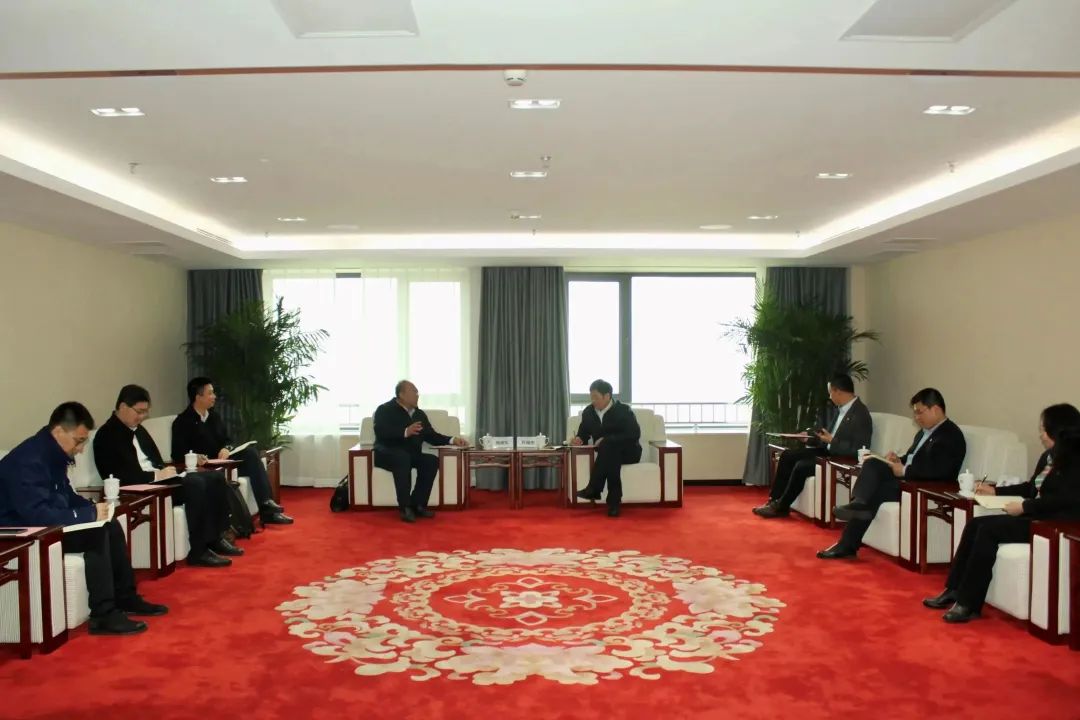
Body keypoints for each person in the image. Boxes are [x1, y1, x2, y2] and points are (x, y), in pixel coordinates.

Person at [0, 402, 167, 635]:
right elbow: (37, 514)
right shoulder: (28, 460)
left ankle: (125, 597)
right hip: (21, 534)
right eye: (78, 441)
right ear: (59, 431)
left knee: (109, 524)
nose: (79, 449)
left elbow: (67, 496)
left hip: (44, 526)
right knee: (95, 533)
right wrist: (87, 515)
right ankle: (103, 615)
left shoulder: (53, 454)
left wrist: (94, 509)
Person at [923, 403, 1080, 623]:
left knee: (988, 531)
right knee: (975, 524)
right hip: (1038, 515)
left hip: (1055, 523)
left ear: (1059, 430)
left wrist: (1025, 507)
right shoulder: (1048, 456)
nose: (1041, 435)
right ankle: (954, 589)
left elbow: (1067, 500)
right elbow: (1030, 488)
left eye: (1044, 429)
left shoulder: (1075, 460)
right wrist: (995, 490)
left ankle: (969, 604)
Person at [93, 384, 241, 568]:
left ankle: (216, 538)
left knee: (214, 478)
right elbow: (118, 474)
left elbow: (156, 460)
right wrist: (156, 475)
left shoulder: (138, 430)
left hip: (160, 481)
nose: (142, 417)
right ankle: (198, 551)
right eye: (139, 411)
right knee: (195, 484)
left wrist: (167, 472)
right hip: (141, 488)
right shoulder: (106, 435)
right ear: (123, 407)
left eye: (145, 412)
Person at [819, 388, 966, 559]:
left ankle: (847, 543)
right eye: (915, 413)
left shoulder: (950, 435)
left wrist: (904, 470)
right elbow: (913, 457)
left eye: (919, 412)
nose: (916, 417)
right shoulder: (924, 432)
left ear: (936, 409)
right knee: (872, 462)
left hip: (921, 487)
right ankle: (858, 503)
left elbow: (940, 471)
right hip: (909, 477)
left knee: (877, 492)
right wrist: (898, 460)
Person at [170, 377, 293, 525]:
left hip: (224, 462)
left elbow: (228, 440)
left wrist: (226, 449)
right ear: (198, 397)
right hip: (205, 469)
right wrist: (195, 457)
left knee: (250, 453)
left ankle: (267, 506)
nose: (214, 396)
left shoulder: (214, 417)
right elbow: (177, 453)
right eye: (210, 393)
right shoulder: (182, 422)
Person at [754, 373, 873, 518]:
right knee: (788, 455)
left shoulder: (860, 414)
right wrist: (809, 439)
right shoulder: (841, 410)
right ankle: (773, 500)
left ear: (838, 391)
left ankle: (781, 507)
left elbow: (859, 449)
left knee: (801, 466)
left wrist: (832, 441)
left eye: (830, 392)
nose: (830, 397)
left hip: (839, 459)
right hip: (827, 451)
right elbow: (827, 437)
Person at [372, 380, 468, 523]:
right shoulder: (384, 409)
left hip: (410, 454)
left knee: (431, 461)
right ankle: (405, 508)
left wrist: (453, 440)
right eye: (414, 392)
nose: (418, 395)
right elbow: (381, 432)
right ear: (401, 394)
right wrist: (405, 432)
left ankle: (418, 504)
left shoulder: (419, 414)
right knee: (402, 458)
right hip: (387, 453)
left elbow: (431, 436)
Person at [572, 379, 641, 518]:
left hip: (629, 452)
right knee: (611, 456)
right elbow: (583, 433)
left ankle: (594, 488)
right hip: (608, 455)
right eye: (591, 397)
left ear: (607, 396)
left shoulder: (623, 410)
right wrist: (578, 439)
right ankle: (614, 503)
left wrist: (608, 439)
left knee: (609, 447)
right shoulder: (588, 412)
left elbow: (634, 434)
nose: (593, 401)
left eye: (596, 397)